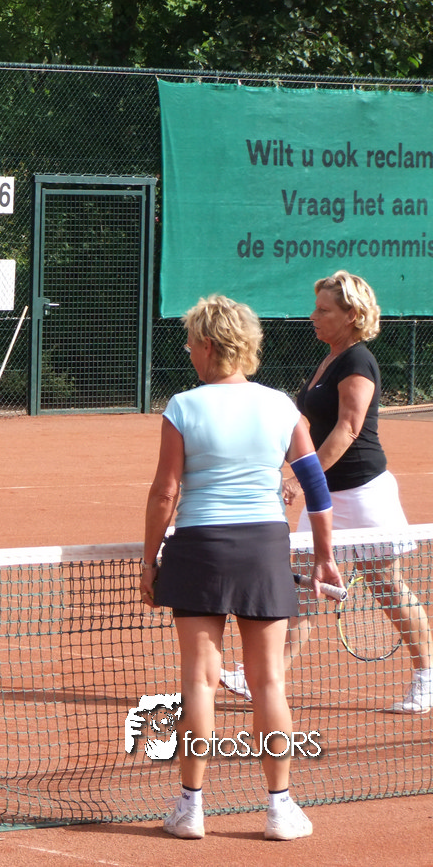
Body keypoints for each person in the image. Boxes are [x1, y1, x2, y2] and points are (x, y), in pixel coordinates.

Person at [141, 294, 339, 842]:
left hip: (198, 548)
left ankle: (190, 809)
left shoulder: (182, 406)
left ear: (209, 345)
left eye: (190, 343)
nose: (188, 352)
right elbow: (315, 487)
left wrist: (149, 561)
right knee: (269, 680)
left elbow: (166, 492)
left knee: (199, 681)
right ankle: (280, 809)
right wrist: (324, 557)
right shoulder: (280, 406)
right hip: (263, 549)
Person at [220, 271, 432, 714]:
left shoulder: (358, 362)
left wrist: (301, 478)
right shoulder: (330, 359)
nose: (313, 316)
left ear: (351, 315)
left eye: (324, 310)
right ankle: (263, 678)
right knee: (298, 589)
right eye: (315, 308)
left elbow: (348, 429)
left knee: (387, 587)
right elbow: (309, 426)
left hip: (364, 493)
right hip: (325, 497)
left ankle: (426, 676)